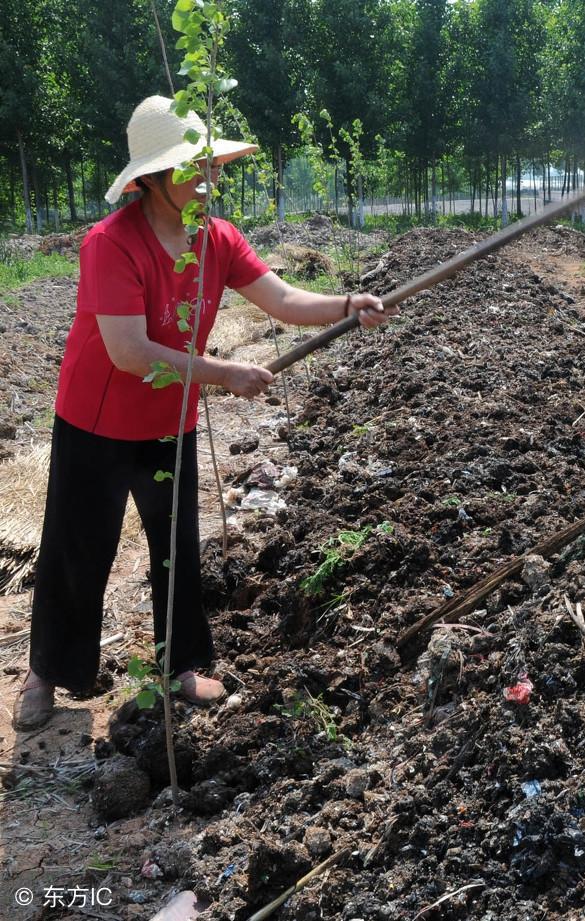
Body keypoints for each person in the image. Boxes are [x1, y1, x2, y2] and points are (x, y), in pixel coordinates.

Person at [11, 96, 397, 731]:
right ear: (154, 179)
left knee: (175, 545)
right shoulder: (110, 244)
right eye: (195, 168)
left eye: (212, 167)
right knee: (77, 550)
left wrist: (347, 303)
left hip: (170, 420)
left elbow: (282, 297)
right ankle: (47, 672)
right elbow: (130, 352)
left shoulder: (217, 240)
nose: (209, 181)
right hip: (96, 420)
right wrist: (224, 375)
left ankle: (183, 662)